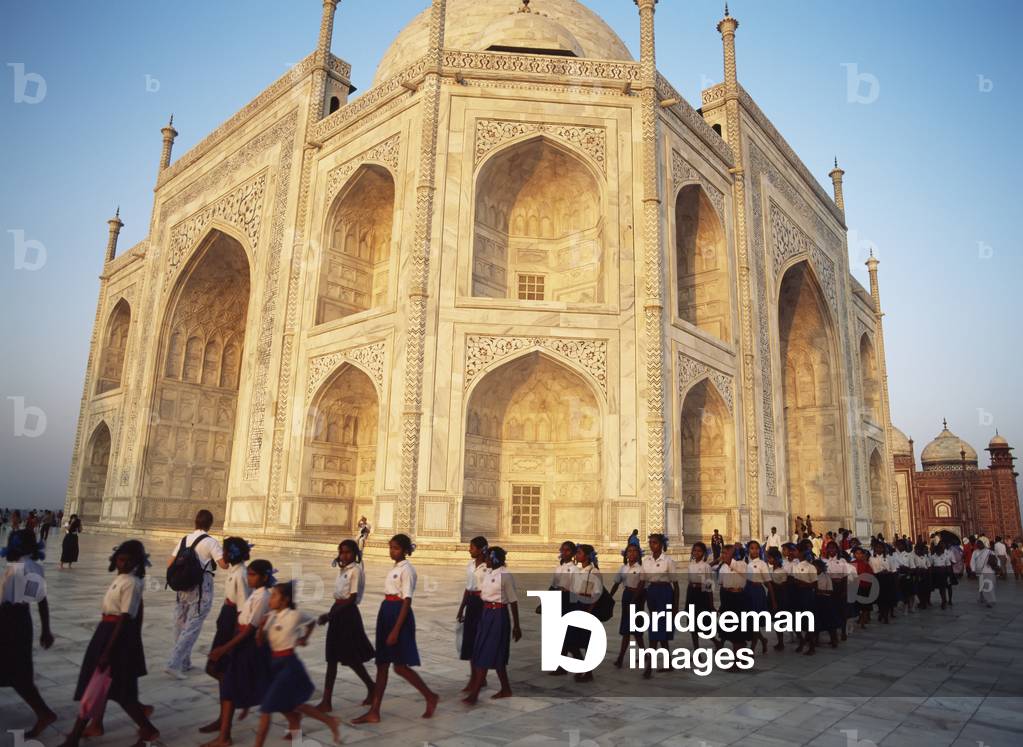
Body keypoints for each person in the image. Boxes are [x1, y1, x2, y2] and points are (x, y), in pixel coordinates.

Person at [61, 540, 158, 747]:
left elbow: (125, 618)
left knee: (112, 690)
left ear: (136, 562)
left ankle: (147, 730)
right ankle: (79, 735)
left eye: (128, 560)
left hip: (115, 639)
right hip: (106, 633)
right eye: (120, 559)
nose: (123, 563)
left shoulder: (131, 582)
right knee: (104, 689)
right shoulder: (122, 579)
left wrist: (108, 650)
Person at [354, 534, 438, 724]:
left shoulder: (407, 570)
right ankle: (374, 711)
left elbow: (407, 600)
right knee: (382, 664)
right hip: (387, 612)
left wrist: (395, 630)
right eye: (391, 547)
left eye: (396, 548)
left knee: (399, 667)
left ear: (405, 550)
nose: (392, 551)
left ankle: (430, 696)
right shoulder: (395, 568)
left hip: (398, 615)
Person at [252, 581, 340, 747]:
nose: (270, 599)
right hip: (275, 664)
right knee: (293, 705)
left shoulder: (293, 615)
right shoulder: (270, 617)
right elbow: (260, 642)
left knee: (266, 708)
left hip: (288, 665)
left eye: (274, 596)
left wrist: (304, 638)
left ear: (284, 600)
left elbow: (311, 621)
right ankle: (328, 721)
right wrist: (261, 629)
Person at [203, 559, 274, 747]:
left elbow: (250, 629)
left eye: (253, 575)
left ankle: (224, 737)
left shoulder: (263, 597)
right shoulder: (255, 594)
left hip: (247, 646)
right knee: (229, 688)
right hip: (240, 644)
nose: (249, 578)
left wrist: (224, 648)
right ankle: (224, 735)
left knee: (235, 689)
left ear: (264, 577)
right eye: (249, 574)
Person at [0, 528, 57, 738]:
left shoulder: (18, 568)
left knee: (18, 675)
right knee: (18, 672)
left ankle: (44, 714)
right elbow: (41, 601)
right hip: (22, 620)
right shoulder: (34, 567)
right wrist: (46, 629)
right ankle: (44, 713)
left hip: (9, 623)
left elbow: (5, 600)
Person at [198, 536, 251, 735]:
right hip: (226, 620)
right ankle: (225, 712)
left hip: (232, 625)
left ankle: (226, 715)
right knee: (215, 669)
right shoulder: (234, 571)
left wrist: (235, 637)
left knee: (220, 670)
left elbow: (243, 608)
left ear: (233, 553)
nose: (223, 554)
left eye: (225, 551)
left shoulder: (241, 574)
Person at [166, 510, 228, 678]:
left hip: (182, 586)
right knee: (193, 624)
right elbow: (223, 565)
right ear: (210, 524)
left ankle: (184, 662)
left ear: (196, 522)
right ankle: (174, 663)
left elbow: (170, 562)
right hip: (201, 587)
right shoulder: (210, 542)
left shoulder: (184, 539)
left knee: (181, 622)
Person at [316, 539, 375, 712]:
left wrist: (329, 615)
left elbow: (351, 598)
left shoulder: (355, 570)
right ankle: (327, 700)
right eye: (342, 552)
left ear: (355, 553)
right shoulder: (344, 570)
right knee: (332, 658)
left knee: (350, 657)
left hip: (347, 614)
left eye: (348, 552)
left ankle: (372, 686)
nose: (344, 555)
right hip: (338, 611)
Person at [463, 546, 521, 704]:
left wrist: (516, 626)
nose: (485, 560)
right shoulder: (488, 573)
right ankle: (506, 689)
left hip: (498, 615)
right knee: (488, 651)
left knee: (487, 651)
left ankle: (474, 694)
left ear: (494, 559)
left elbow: (513, 601)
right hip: (486, 614)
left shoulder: (505, 576)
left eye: (487, 557)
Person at [640, 533, 677, 679]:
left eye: (654, 542)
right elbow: (643, 582)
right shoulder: (646, 561)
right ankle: (668, 662)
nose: (652, 545)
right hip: (652, 593)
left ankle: (650, 666)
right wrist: (637, 599)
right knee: (659, 629)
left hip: (665, 593)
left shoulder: (668, 561)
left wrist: (674, 606)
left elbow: (675, 584)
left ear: (661, 545)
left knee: (656, 629)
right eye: (650, 542)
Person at [566, 544, 604, 683]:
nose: (577, 555)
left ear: (587, 556)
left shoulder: (594, 572)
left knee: (586, 641)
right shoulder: (580, 571)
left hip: (587, 608)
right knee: (570, 640)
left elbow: (597, 594)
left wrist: (589, 612)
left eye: (579, 553)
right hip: (577, 606)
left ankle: (588, 671)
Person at [456, 536, 489, 692]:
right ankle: (474, 676)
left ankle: (481, 678)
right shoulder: (470, 565)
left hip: (483, 604)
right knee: (470, 641)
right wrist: (462, 607)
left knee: (480, 640)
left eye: (472, 547)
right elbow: (467, 588)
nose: (469, 549)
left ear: (481, 549)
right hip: (471, 603)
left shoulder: (488, 567)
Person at [609, 542, 644, 667]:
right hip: (626, 596)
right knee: (626, 630)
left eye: (635, 551)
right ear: (626, 554)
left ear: (639, 554)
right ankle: (621, 658)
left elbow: (642, 585)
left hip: (637, 598)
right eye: (629, 551)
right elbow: (616, 583)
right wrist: (609, 597)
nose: (632, 553)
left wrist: (635, 599)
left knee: (636, 630)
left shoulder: (641, 568)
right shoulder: (623, 568)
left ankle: (645, 655)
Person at [685, 542, 714, 649]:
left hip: (702, 595)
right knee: (692, 625)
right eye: (695, 550)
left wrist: (710, 603)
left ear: (703, 553)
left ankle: (716, 641)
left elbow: (709, 585)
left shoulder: (706, 566)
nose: (697, 553)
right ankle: (697, 650)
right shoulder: (690, 565)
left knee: (704, 624)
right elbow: (689, 581)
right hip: (692, 595)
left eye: (699, 551)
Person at [970, 539, 997, 607]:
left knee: (988, 587)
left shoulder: (989, 551)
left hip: (989, 571)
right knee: (981, 586)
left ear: (983, 544)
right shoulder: (975, 552)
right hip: (980, 572)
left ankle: (990, 601)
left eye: (980, 544)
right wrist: (973, 570)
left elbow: (996, 560)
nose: (979, 545)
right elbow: (972, 561)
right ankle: (982, 598)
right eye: (978, 544)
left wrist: (996, 567)